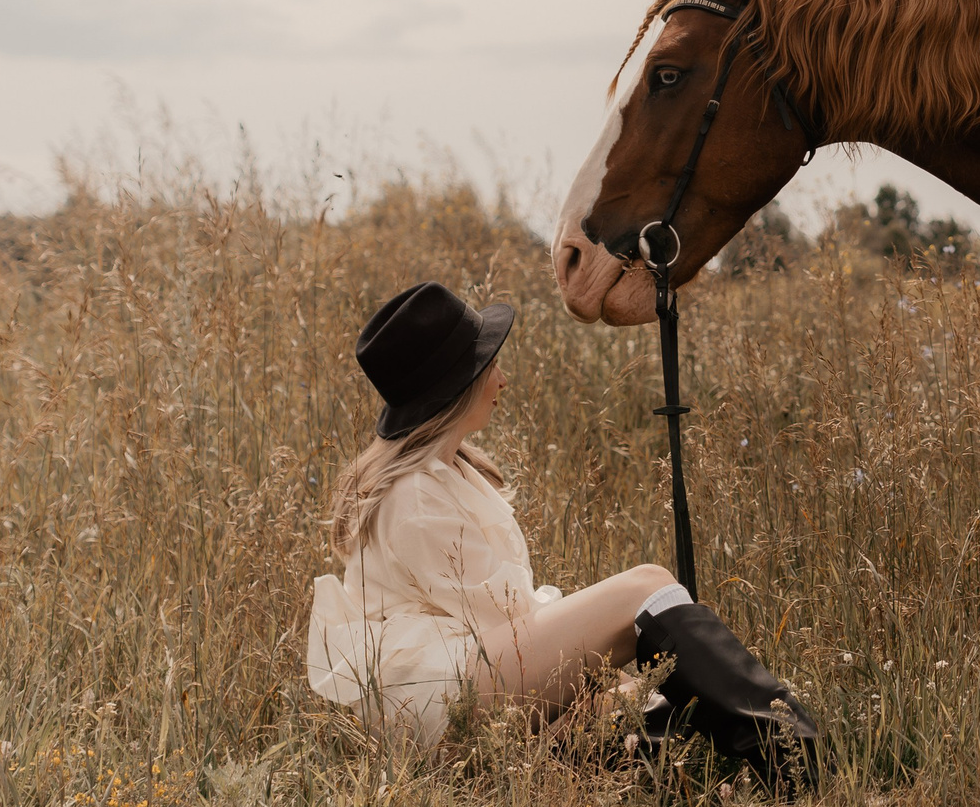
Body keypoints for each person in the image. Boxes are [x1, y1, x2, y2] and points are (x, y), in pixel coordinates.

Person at [305, 281, 818, 778]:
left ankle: (615, 758)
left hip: (462, 680)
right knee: (645, 586)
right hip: (446, 698)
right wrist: (601, 658)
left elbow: (511, 629)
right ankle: (798, 755)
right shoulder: (414, 495)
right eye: (489, 365)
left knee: (645, 691)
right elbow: (503, 622)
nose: (501, 379)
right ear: (456, 386)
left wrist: (605, 671)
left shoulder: (445, 472)